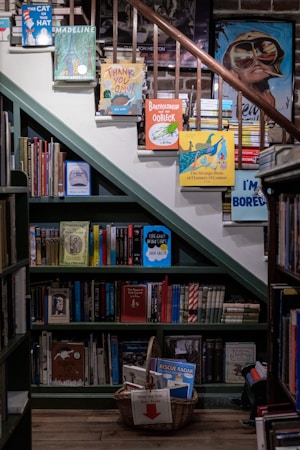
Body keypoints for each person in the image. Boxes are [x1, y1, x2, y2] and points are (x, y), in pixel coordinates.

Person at [222, 30, 285, 109]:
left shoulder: (280, 97)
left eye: (264, 54)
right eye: (243, 58)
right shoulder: (228, 100)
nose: (256, 62)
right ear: (232, 71)